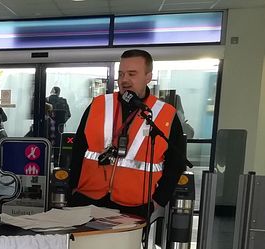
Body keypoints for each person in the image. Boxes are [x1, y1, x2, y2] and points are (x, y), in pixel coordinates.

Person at [67, 49, 186, 219]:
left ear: (148, 77)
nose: (124, 80)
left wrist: (159, 200)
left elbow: (176, 163)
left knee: (122, 247)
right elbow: (78, 148)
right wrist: (73, 187)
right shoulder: (99, 104)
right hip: (87, 199)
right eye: (121, 74)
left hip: (135, 206)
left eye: (132, 74)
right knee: (81, 246)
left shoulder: (165, 114)